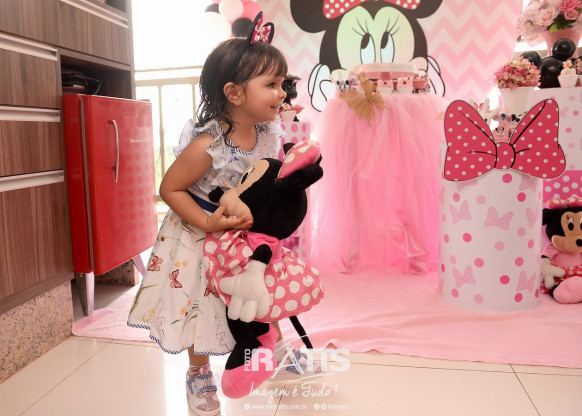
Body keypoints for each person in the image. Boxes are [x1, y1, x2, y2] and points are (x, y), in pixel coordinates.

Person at [128, 16, 289, 415]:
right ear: (235, 93)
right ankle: (198, 374)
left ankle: (274, 346)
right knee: (200, 306)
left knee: (260, 291)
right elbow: (170, 188)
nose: (281, 93)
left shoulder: (267, 134)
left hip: (239, 234)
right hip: (198, 233)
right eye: (272, 84)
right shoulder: (209, 143)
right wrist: (207, 223)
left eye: (282, 83)